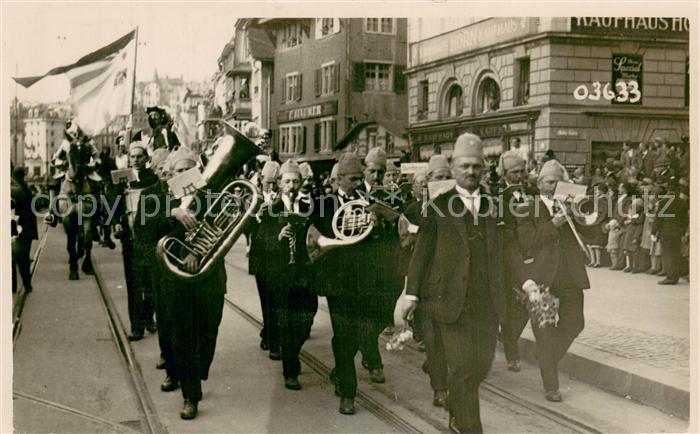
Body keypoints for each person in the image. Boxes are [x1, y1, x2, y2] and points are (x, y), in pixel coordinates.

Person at [402, 133, 502, 434]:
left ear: (483, 169)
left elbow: (507, 251)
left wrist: (526, 286)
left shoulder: (494, 206)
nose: (470, 172)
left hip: (485, 303)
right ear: (454, 167)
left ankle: (457, 411)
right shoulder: (438, 206)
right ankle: (469, 426)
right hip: (449, 302)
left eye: (476, 167)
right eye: (464, 166)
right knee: (462, 367)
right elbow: (422, 253)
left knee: (481, 366)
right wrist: (411, 294)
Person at [312, 152, 396, 415]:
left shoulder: (369, 202)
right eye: (353, 179)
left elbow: (384, 241)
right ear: (338, 180)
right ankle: (348, 392)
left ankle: (341, 370)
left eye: (361, 178)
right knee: (343, 335)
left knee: (360, 332)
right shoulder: (323, 204)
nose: (359, 183)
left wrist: (379, 223)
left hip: (366, 279)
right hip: (338, 280)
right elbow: (314, 239)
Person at [516, 159, 595, 402]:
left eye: (559, 182)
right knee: (545, 334)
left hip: (570, 276)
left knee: (575, 324)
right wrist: (553, 224)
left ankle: (546, 357)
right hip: (542, 280)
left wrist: (581, 214)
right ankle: (551, 386)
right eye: (550, 181)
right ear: (539, 184)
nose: (554, 186)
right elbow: (528, 242)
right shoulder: (526, 208)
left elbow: (592, 230)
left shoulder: (571, 205)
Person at [159, 147, 228, 420]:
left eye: (189, 169)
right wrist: (173, 213)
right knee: (183, 336)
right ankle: (191, 394)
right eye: (179, 171)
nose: (184, 175)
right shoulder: (159, 198)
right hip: (177, 280)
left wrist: (198, 251)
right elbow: (144, 229)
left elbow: (229, 230)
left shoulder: (212, 195)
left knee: (209, 330)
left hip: (210, 277)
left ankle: (194, 372)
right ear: (170, 174)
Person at [263, 160, 317, 390]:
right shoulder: (270, 208)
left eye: (296, 181)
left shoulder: (311, 206)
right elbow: (259, 239)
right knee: (285, 321)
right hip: (280, 274)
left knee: (307, 317)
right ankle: (290, 369)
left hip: (305, 272)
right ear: (279, 183)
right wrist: (277, 236)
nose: (292, 186)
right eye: (287, 181)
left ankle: (292, 352)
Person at [113, 140, 160, 341]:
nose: (135, 160)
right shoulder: (121, 180)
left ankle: (148, 317)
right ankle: (136, 326)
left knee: (150, 282)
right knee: (132, 284)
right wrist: (115, 222)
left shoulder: (154, 179)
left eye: (140, 156)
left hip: (149, 239)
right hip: (130, 239)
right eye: (132, 156)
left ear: (147, 159)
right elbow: (113, 203)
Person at [494, 151, 535, 374]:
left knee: (525, 310)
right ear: (505, 174)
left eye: (521, 171)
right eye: (514, 172)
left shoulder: (532, 192)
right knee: (512, 308)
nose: (519, 176)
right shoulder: (499, 196)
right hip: (508, 258)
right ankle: (512, 353)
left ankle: (507, 337)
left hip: (531, 256)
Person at [248, 161, 283, 360]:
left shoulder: (284, 198)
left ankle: (273, 339)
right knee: (266, 298)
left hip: (278, 255)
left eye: (274, 183)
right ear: (261, 180)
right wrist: (256, 216)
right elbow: (246, 229)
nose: (271, 187)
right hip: (261, 255)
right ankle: (269, 332)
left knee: (276, 298)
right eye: (268, 182)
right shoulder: (254, 198)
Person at [11, 166, 38, 294]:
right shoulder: (25, 188)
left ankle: (19, 286)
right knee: (22, 257)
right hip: (27, 228)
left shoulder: (19, 189)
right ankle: (25, 285)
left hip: (22, 228)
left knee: (18, 257)